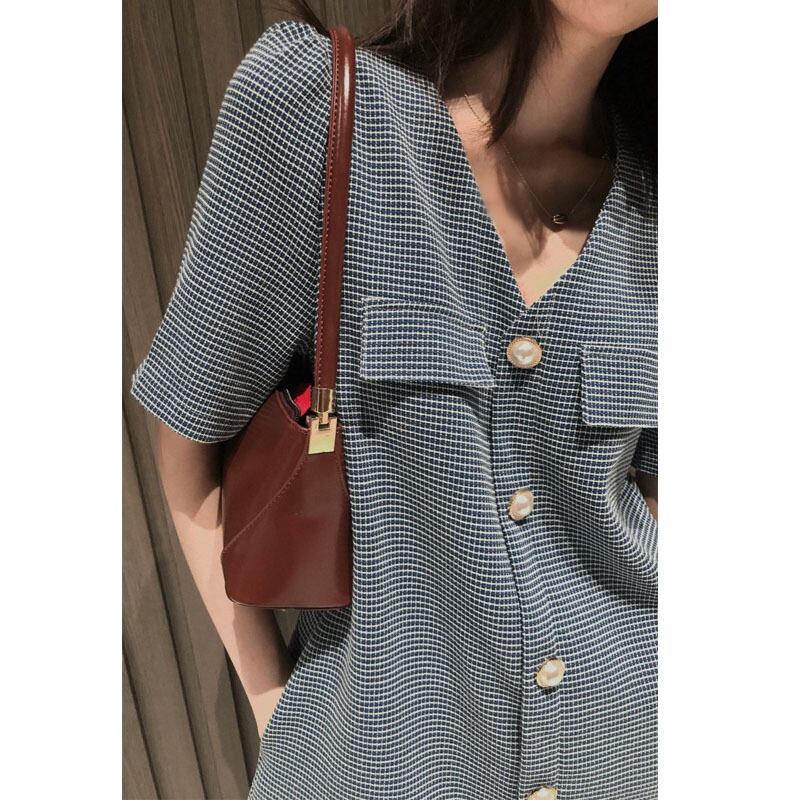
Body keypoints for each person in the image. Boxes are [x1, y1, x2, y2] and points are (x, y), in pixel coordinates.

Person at [130, 1, 658, 797]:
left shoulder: (666, 201)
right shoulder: (317, 110)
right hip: (385, 769)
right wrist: (283, 715)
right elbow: (189, 453)